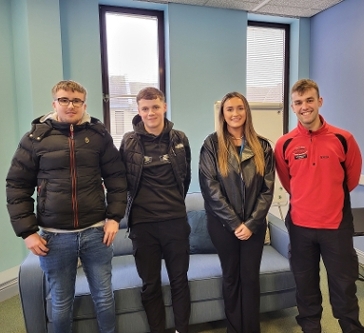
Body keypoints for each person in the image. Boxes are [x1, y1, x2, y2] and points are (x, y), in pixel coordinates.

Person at [6, 80, 127, 333]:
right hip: (54, 238)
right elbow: (17, 186)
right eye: (64, 100)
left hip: (96, 234)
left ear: (84, 104)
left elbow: (117, 178)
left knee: (104, 298)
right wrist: (27, 232)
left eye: (76, 101)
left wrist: (115, 218)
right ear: (54, 103)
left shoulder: (99, 136)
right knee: (61, 303)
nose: (70, 105)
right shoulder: (34, 139)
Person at [274, 79, 364, 333]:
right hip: (300, 227)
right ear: (292, 107)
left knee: (344, 286)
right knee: (305, 287)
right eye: (298, 102)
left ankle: (351, 328)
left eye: (309, 100)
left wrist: (325, 196)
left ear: (319, 102)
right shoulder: (284, 144)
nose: (304, 107)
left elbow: (351, 179)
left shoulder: (343, 138)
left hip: (336, 226)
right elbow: (288, 181)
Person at [199, 91, 275, 333]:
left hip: (254, 227)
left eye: (239, 108)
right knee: (231, 278)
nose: (235, 113)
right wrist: (234, 223)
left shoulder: (262, 146)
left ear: (246, 112)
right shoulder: (211, 145)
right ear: (223, 113)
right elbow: (210, 188)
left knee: (250, 279)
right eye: (229, 109)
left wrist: (251, 224)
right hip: (223, 226)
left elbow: (267, 189)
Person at [119, 87, 191, 333]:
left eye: (155, 107)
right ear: (139, 111)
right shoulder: (129, 141)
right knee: (150, 285)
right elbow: (124, 181)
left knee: (179, 281)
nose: (151, 113)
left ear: (164, 107)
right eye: (145, 109)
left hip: (175, 222)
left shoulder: (180, 139)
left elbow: (185, 176)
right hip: (143, 225)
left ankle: (182, 329)